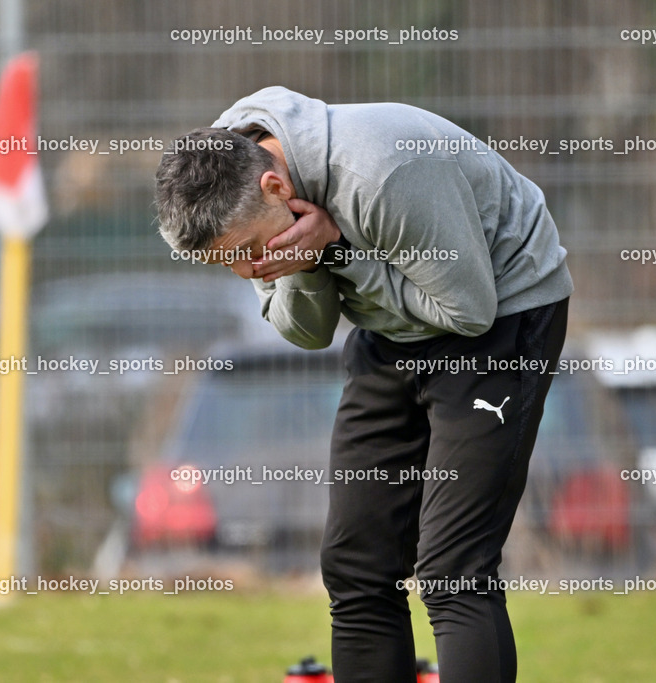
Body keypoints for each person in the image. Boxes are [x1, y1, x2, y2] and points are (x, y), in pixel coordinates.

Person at [155, 86, 572, 683]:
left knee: (453, 570)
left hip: (500, 314)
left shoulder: (381, 171)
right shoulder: (231, 166)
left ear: (276, 188)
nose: (249, 271)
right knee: (357, 566)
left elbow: (466, 312)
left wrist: (337, 252)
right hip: (390, 328)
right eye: (228, 262)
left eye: (248, 251)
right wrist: (311, 260)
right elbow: (307, 331)